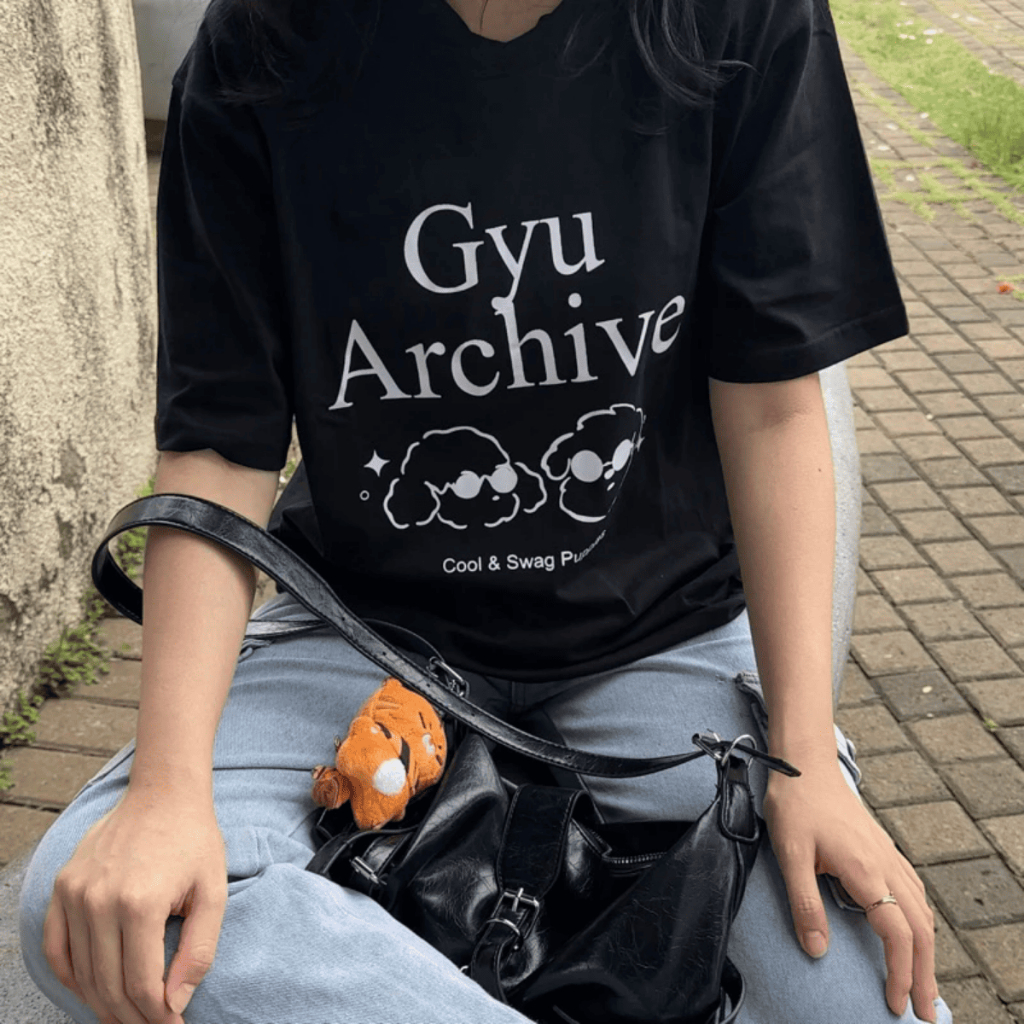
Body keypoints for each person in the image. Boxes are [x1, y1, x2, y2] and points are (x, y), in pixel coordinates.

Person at [19, 0, 953, 1021]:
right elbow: (218, 448)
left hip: (665, 637)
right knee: (89, 911)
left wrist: (804, 759)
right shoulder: (264, 37)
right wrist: (166, 790)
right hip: (362, 635)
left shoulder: (737, 16)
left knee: (857, 998)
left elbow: (774, 408)